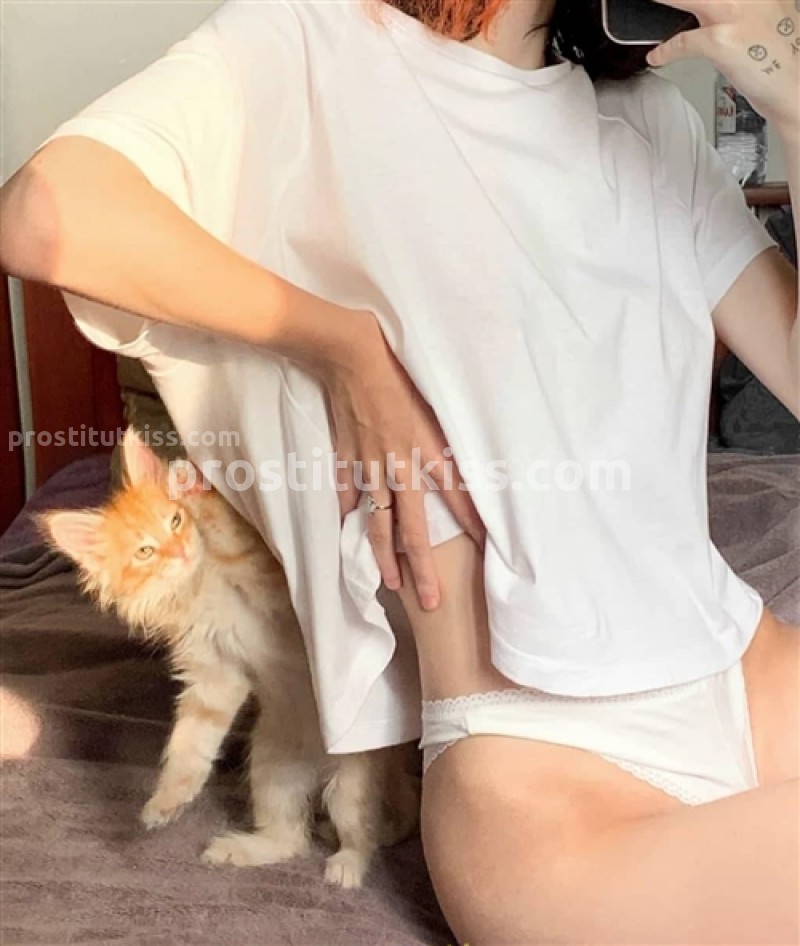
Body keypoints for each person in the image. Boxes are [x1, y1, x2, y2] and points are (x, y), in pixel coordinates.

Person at [2, 0, 798, 940]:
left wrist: (786, 79)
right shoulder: (309, 44)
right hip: (546, 774)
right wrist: (346, 349)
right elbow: (48, 214)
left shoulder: (650, 118)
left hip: (749, 669)